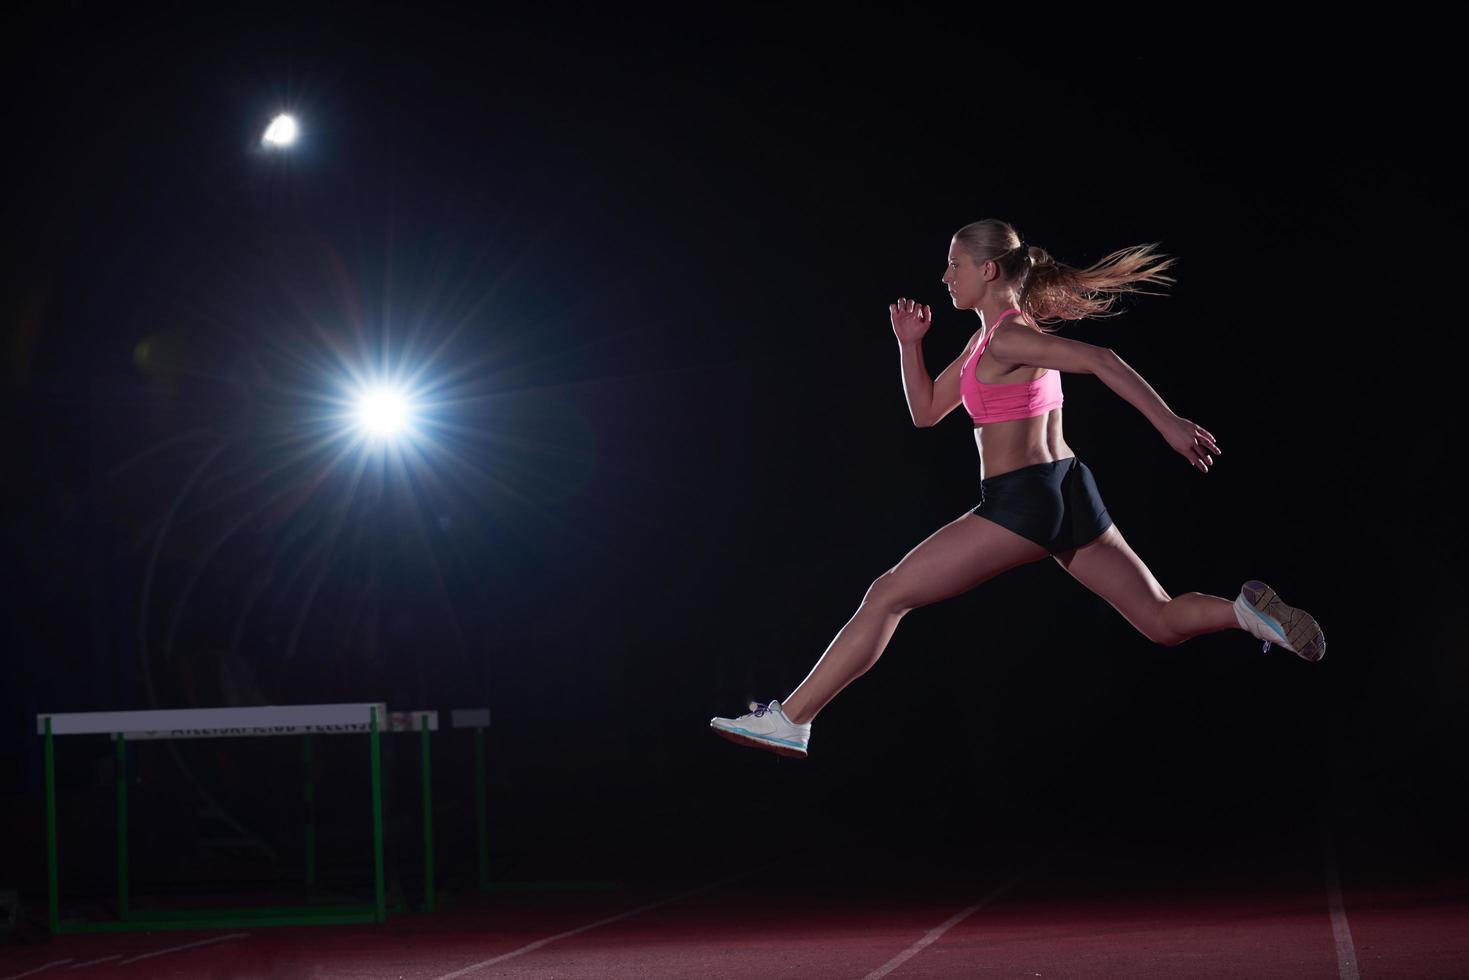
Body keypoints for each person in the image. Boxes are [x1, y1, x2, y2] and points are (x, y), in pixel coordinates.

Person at [709, 219, 1325, 759]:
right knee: (1160, 621)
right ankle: (1244, 615)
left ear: (988, 268)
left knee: (888, 593)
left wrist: (1170, 424)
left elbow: (1103, 359)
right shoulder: (988, 340)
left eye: (954, 264)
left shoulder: (1004, 338)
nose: (945, 275)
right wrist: (909, 347)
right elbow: (925, 411)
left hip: (1024, 500)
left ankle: (792, 720)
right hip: (1069, 489)